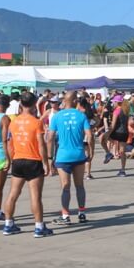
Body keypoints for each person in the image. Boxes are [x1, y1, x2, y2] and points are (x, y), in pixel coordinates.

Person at [2, 91, 53, 237]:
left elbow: (10, 144)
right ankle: (38, 227)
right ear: (33, 104)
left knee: (13, 194)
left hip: (18, 160)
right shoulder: (36, 122)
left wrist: (10, 159)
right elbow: (41, 144)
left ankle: (8, 224)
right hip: (33, 160)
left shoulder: (13, 122)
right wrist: (45, 162)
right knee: (35, 196)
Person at [49, 91, 92, 225]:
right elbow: (89, 135)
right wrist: (90, 152)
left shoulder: (57, 116)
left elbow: (50, 138)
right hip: (78, 154)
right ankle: (82, 213)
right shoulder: (81, 116)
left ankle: (65, 215)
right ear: (74, 101)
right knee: (80, 185)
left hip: (63, 156)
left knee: (65, 187)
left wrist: (50, 157)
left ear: (64, 101)